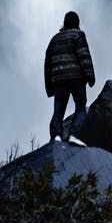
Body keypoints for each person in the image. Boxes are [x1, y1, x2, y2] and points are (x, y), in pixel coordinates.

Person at [44, 11, 95, 146]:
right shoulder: (78, 35)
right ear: (77, 23)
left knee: (58, 112)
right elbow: (84, 56)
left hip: (59, 80)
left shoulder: (55, 39)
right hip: (76, 78)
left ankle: (56, 138)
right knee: (80, 106)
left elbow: (47, 64)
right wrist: (90, 77)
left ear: (65, 23)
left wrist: (50, 87)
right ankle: (73, 135)